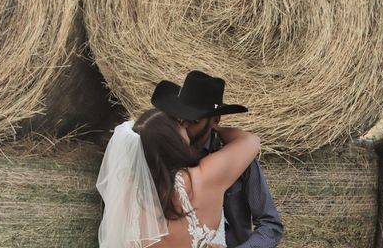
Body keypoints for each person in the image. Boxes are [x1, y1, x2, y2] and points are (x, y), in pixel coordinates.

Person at [96, 95, 260, 247]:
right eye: (180, 124)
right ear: (174, 140)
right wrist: (213, 126)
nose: (185, 125)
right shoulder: (203, 176)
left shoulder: (126, 193)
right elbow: (250, 141)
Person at [151, 71, 284, 248]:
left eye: (194, 120)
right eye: (182, 117)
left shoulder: (242, 160)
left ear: (215, 120)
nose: (185, 125)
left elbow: (271, 225)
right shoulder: (167, 156)